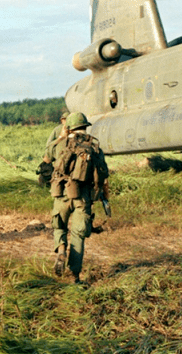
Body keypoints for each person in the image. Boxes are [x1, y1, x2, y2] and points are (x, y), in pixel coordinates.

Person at [46, 112, 109, 284]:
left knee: (59, 226)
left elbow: (46, 157)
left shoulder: (60, 145)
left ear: (68, 127)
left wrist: (60, 137)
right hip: (83, 197)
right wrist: (104, 198)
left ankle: (61, 251)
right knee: (78, 235)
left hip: (62, 194)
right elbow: (103, 174)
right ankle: (74, 275)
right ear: (85, 126)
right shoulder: (94, 147)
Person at [37, 112, 69, 187]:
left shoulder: (57, 129)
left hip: (57, 155)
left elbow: (48, 144)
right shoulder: (74, 129)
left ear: (62, 120)